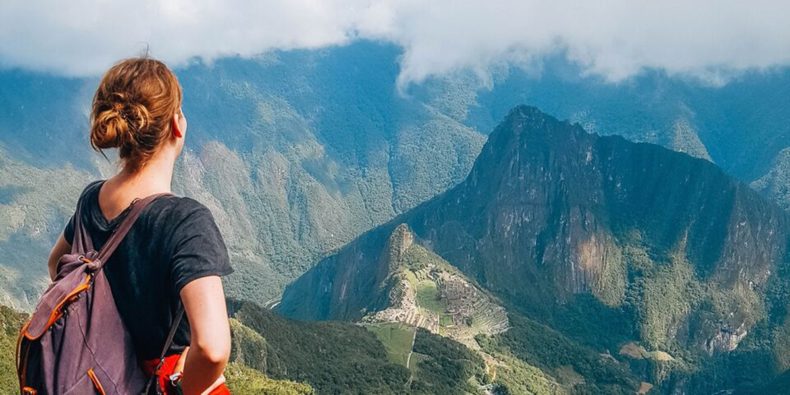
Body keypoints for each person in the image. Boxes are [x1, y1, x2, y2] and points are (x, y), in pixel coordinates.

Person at [45, 57, 233, 395]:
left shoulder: (91, 200)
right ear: (177, 124)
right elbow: (212, 348)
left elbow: (56, 264)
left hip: (99, 379)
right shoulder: (185, 221)